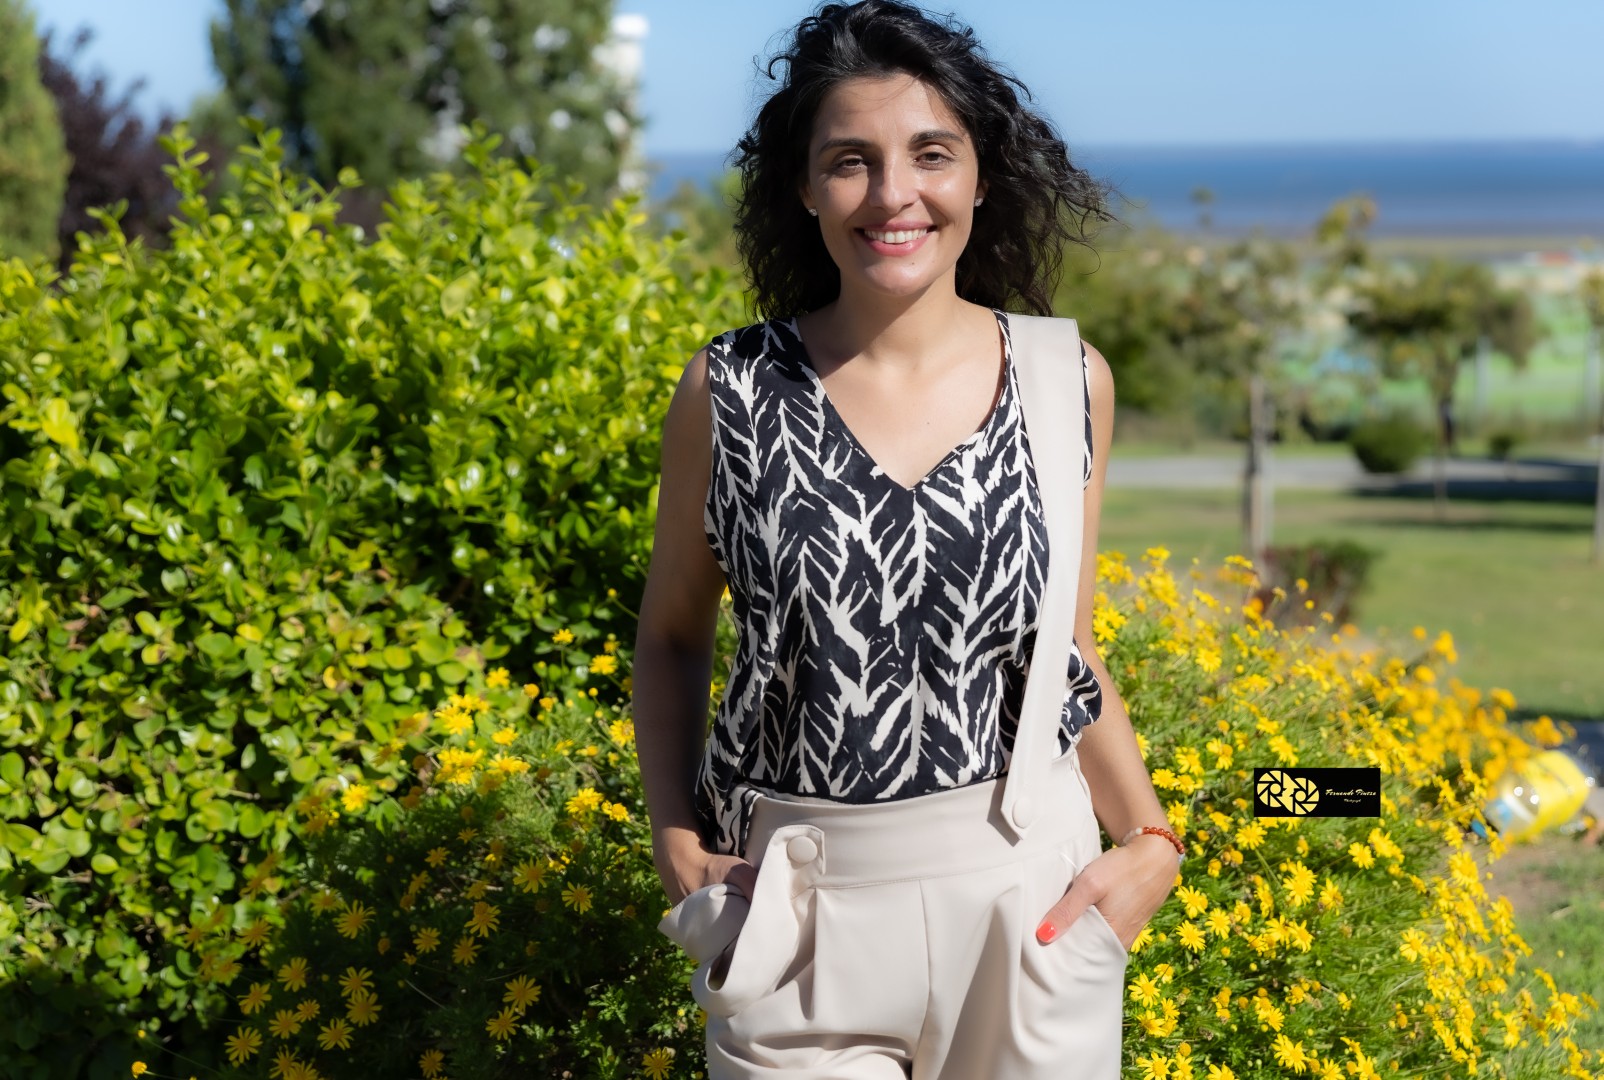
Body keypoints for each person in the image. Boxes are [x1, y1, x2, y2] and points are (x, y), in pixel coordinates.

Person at [631, 2, 1180, 1075]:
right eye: (850, 161)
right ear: (804, 188)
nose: (893, 194)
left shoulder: (1067, 382)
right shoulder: (730, 390)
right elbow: (672, 637)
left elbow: (1064, 654)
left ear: (981, 175)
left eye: (931, 154)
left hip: (1027, 904)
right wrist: (674, 844)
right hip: (796, 917)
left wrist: (1150, 841)